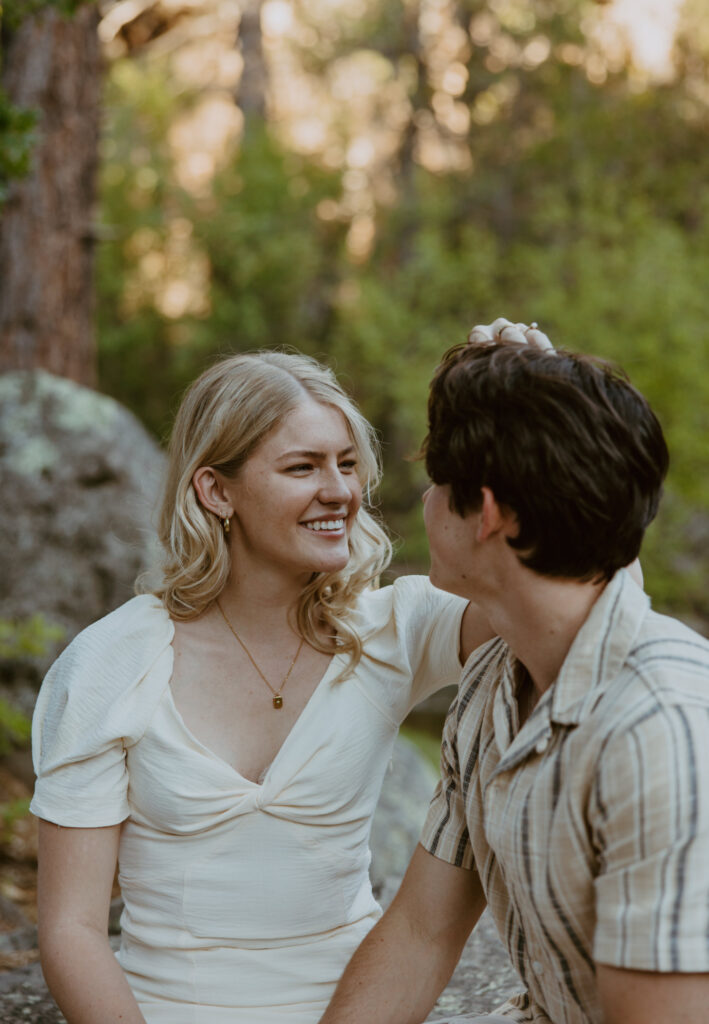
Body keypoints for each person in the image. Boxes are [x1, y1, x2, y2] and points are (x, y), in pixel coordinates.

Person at [30, 348, 502, 1024]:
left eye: (346, 463)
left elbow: (563, 595)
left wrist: (522, 409)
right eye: (302, 467)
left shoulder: (396, 628)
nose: (339, 489)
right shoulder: (109, 662)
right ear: (216, 492)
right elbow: (71, 931)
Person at [320, 324, 709, 1024]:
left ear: (488, 514)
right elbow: (420, 932)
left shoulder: (661, 728)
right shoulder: (493, 681)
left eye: (440, 483)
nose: (427, 501)